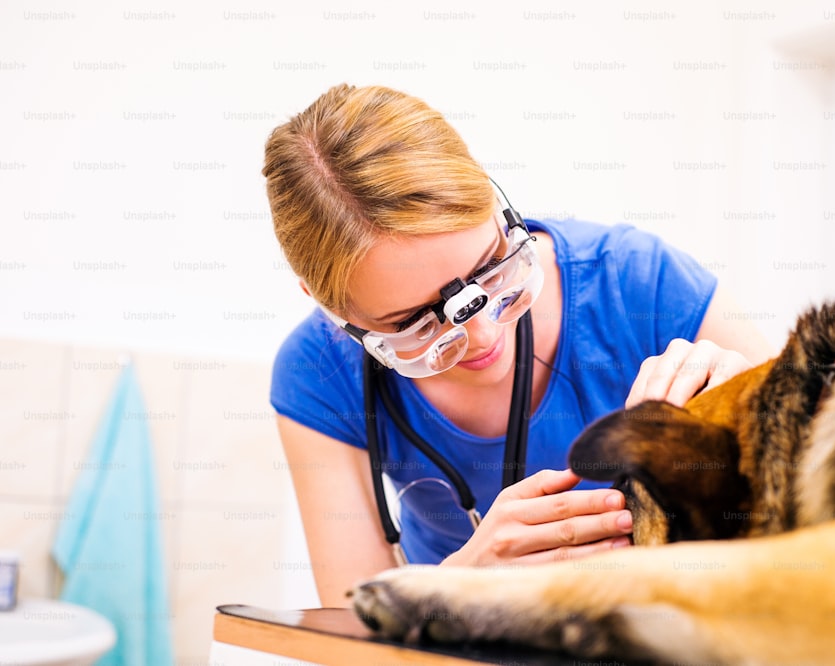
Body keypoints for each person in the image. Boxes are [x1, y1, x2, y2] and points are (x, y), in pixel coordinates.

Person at [263, 83, 773, 607]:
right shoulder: (317, 371)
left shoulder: (639, 283)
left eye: (490, 270)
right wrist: (457, 585)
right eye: (415, 321)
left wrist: (751, 404)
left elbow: (827, 520)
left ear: (494, 200)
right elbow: (349, 638)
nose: (484, 336)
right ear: (328, 307)